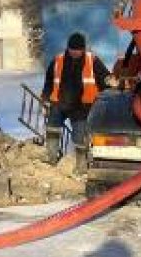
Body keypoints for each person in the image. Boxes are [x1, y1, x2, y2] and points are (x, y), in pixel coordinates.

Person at [41, 32, 114, 172]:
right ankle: (51, 157)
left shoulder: (92, 60)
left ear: (83, 49)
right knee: (52, 128)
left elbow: (105, 79)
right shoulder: (58, 60)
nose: (75, 53)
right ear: (68, 48)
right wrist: (44, 99)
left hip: (82, 106)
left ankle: (81, 165)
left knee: (80, 136)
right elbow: (49, 82)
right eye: (72, 50)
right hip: (59, 102)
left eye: (78, 50)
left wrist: (110, 82)